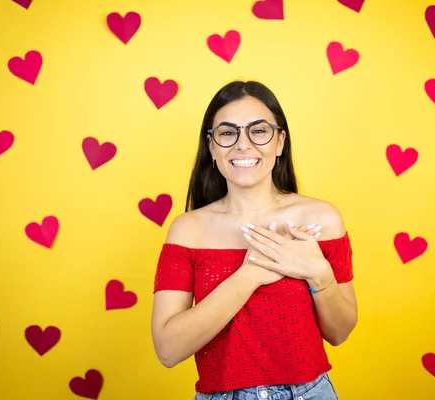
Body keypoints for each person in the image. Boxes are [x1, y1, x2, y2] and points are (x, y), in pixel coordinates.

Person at [151, 80, 357, 400]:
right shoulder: (187, 230)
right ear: (212, 147)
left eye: (259, 131)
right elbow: (167, 350)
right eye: (228, 132)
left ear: (280, 142)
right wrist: (251, 274)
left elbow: (339, 333)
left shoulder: (322, 220)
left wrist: (320, 274)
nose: (243, 144)